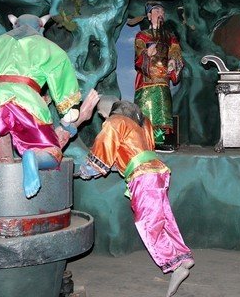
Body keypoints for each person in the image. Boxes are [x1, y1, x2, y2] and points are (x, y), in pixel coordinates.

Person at [0, 13, 81, 198]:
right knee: (52, 154)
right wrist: (68, 109)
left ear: (15, 25)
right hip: (28, 104)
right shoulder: (48, 47)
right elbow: (61, 74)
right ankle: (34, 158)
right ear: (41, 27)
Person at [78, 96, 194, 297]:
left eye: (101, 114)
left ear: (106, 110)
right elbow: (135, 149)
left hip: (143, 176)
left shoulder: (114, 122)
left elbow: (103, 149)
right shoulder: (141, 120)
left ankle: (175, 265)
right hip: (158, 171)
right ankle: (183, 256)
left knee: (148, 223)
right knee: (163, 217)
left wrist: (89, 169)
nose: (102, 117)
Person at [134, 1, 184, 152]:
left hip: (163, 80)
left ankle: (160, 142)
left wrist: (173, 61)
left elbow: (175, 51)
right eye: (156, 11)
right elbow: (139, 54)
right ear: (149, 16)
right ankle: (143, 142)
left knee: (162, 111)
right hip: (146, 80)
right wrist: (146, 53)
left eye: (162, 12)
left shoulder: (169, 37)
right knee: (145, 110)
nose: (160, 14)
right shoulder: (142, 35)